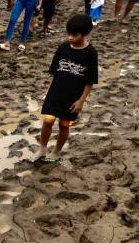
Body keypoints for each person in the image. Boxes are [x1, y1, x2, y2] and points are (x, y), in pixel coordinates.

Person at [37, 13, 97, 162]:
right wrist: (48, 92)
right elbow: (54, 73)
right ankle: (42, 149)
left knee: (64, 125)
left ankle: (56, 152)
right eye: (68, 33)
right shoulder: (63, 48)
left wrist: (81, 101)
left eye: (74, 35)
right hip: (55, 92)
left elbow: (90, 81)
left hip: (73, 97)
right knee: (48, 121)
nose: (70, 37)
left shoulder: (90, 53)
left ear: (83, 34)